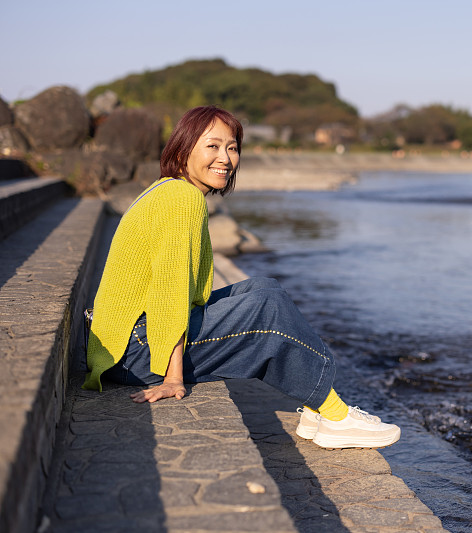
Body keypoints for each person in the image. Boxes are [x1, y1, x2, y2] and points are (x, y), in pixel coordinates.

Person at [83, 105, 400, 449]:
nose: (225, 158)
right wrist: (172, 377)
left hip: (128, 342)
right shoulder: (182, 199)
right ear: (183, 149)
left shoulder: (170, 189)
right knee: (267, 308)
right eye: (212, 146)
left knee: (264, 288)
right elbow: (168, 293)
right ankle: (335, 415)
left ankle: (316, 405)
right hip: (136, 352)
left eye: (232, 148)